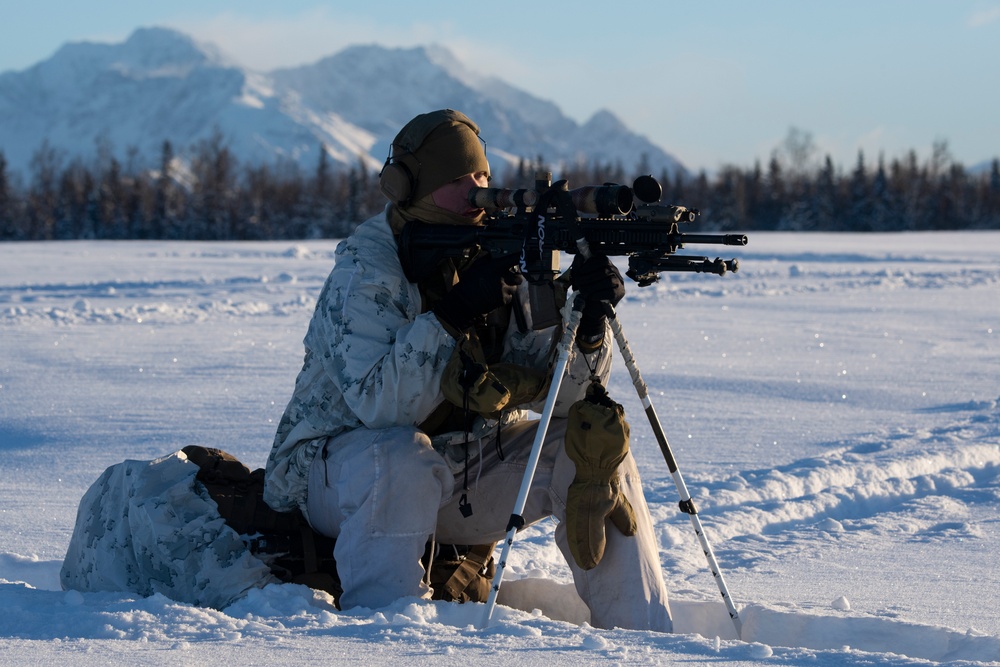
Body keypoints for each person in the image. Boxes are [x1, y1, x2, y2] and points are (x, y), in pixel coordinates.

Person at [263, 109, 672, 632]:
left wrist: (587, 326)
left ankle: (643, 640)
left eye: (481, 176)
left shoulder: (501, 250)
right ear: (411, 187)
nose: (478, 191)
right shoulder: (367, 269)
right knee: (400, 457)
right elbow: (380, 406)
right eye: (459, 180)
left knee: (592, 443)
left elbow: (560, 403)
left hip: (454, 468)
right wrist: (451, 314)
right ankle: (390, 637)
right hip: (329, 479)